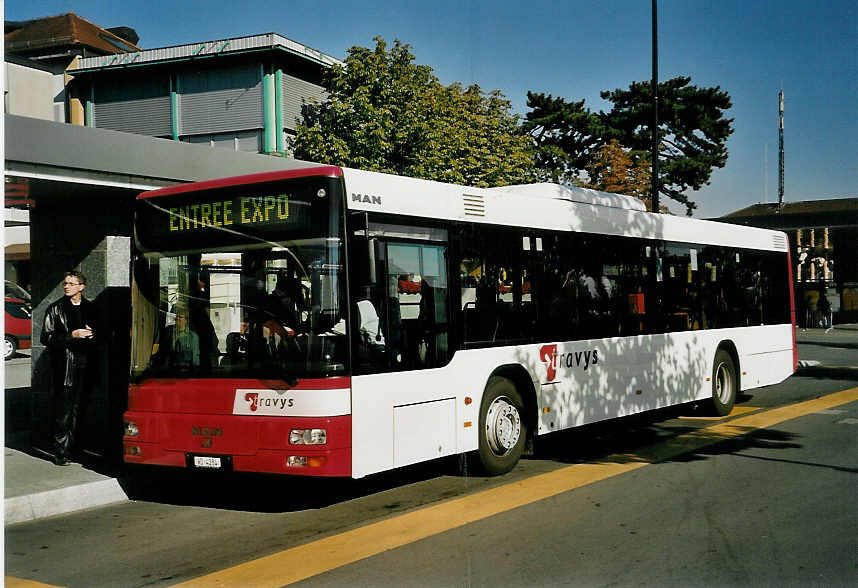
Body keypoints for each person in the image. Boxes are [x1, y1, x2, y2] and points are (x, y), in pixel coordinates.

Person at [41, 271, 96, 466]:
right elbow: (46, 337)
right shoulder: (55, 309)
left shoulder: (91, 308)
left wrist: (93, 334)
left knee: (81, 409)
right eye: (65, 283)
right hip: (65, 368)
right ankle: (61, 452)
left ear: (81, 287)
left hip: (87, 365)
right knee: (64, 411)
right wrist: (71, 335)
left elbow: (105, 332)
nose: (66, 286)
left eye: (71, 283)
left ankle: (77, 448)